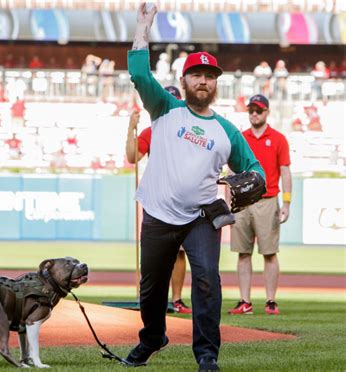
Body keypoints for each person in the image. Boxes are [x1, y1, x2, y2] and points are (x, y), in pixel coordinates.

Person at [124, 4, 265, 371]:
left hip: (202, 217)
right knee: (151, 290)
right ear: (184, 82)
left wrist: (249, 184)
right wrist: (144, 26)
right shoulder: (165, 108)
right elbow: (139, 73)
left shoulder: (227, 131)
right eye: (196, 75)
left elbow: (254, 170)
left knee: (206, 283)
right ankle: (153, 337)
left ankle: (206, 355)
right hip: (158, 214)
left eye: (209, 76)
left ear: (216, 84)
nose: (203, 80)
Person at [125, 85, 192, 315]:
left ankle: (177, 298)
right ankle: (153, 299)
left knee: (180, 252)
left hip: (183, 198)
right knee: (154, 253)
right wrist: (131, 128)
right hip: (157, 197)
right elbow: (133, 157)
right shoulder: (151, 131)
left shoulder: (190, 130)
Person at [228, 94, 292, 316]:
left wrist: (287, 202)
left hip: (267, 200)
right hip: (244, 201)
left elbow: (285, 170)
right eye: (251, 110)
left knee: (269, 253)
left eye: (258, 110)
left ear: (267, 112)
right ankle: (245, 301)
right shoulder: (241, 137)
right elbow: (232, 170)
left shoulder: (278, 138)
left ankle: (270, 300)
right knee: (243, 253)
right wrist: (230, 200)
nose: (254, 113)